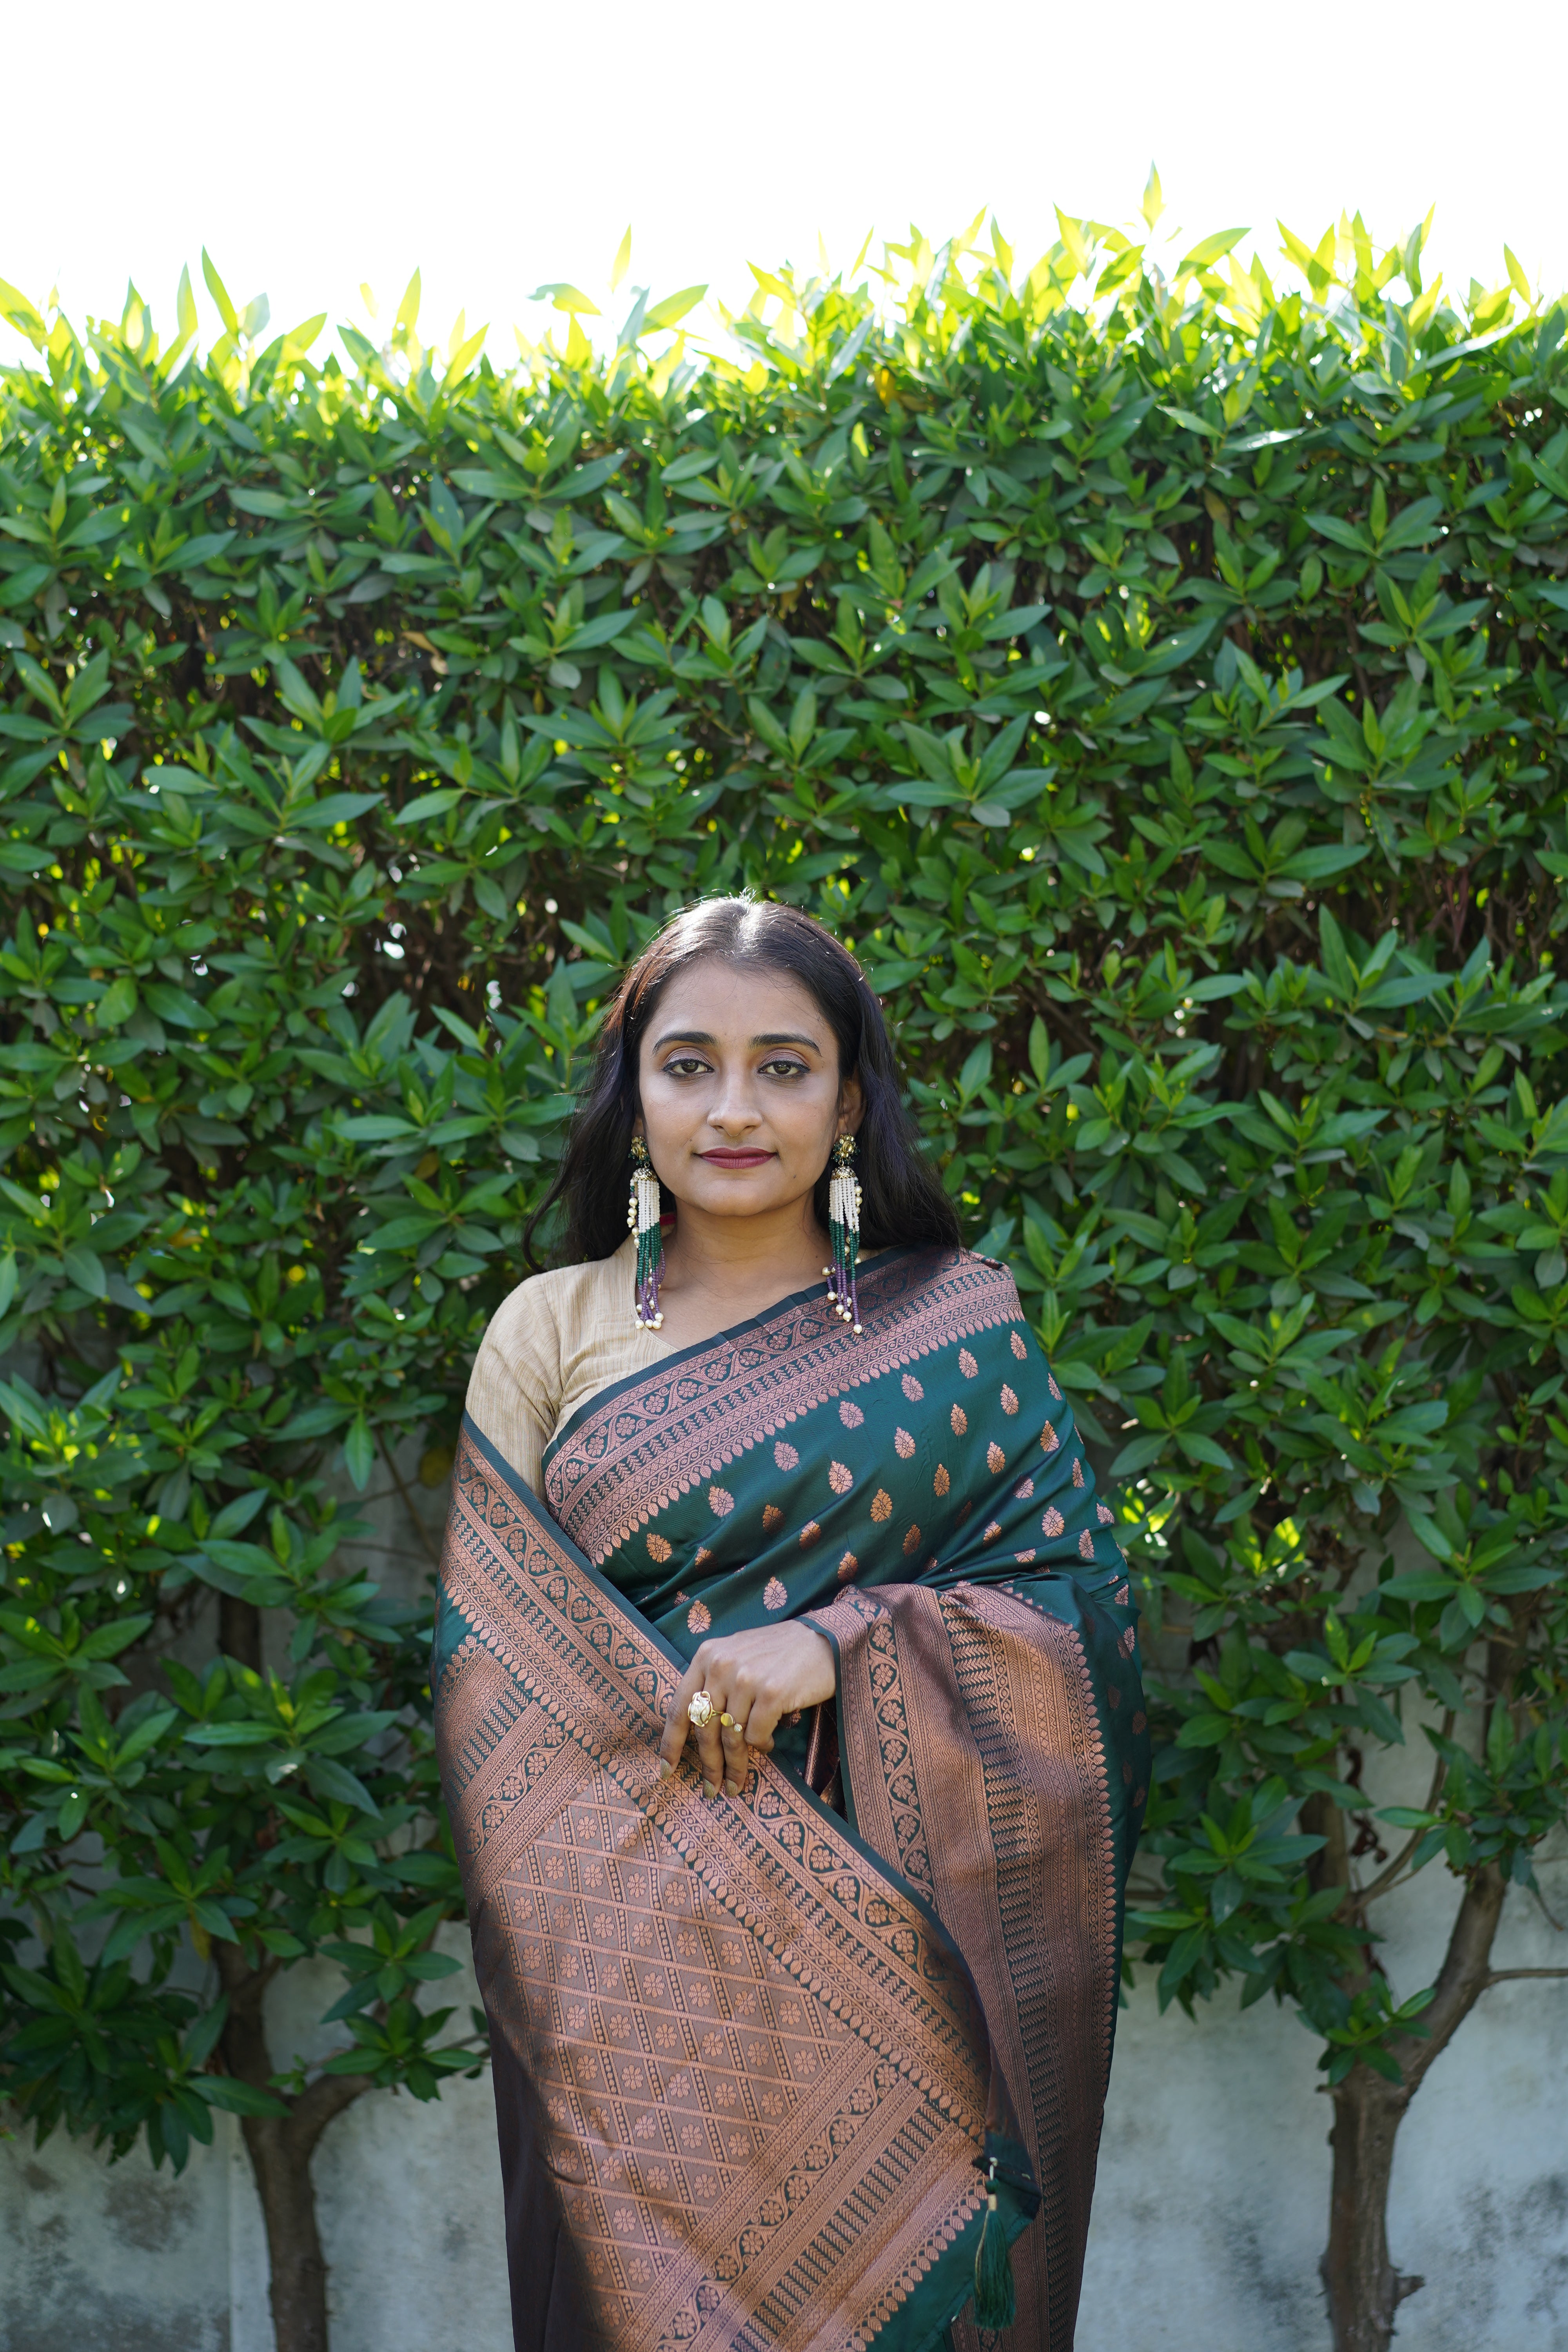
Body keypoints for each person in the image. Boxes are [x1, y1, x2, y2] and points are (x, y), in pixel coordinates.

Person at [433, 897, 1148, 2352]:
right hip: (621, 1978)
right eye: (689, 1065)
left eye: (785, 1064)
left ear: (853, 1097)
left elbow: (1081, 1608)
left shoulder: (959, 1321)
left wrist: (850, 1643)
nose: (736, 1108)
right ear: (633, 1098)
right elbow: (485, 1684)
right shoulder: (549, 1327)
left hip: (901, 1954)